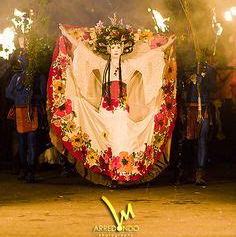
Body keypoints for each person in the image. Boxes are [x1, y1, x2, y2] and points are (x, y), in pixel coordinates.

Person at [47, 18, 177, 186]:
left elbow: (149, 58)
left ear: (122, 49)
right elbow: (82, 50)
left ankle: (124, 171)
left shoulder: (128, 65)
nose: (116, 50)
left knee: (123, 138)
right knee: (106, 141)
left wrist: (166, 46)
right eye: (113, 47)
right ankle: (112, 173)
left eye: (118, 47)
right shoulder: (101, 64)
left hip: (122, 110)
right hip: (105, 109)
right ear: (108, 49)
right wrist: (66, 34)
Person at [5, 54, 46, 183]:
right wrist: (21, 100)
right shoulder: (17, 77)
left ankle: (29, 171)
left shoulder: (38, 76)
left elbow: (43, 94)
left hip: (30, 110)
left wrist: (30, 99)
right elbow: (8, 93)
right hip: (22, 111)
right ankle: (26, 170)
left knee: (29, 142)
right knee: (25, 143)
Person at [181, 60, 216, 185]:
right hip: (189, 108)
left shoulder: (209, 69)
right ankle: (186, 172)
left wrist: (204, 82)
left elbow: (214, 88)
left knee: (202, 139)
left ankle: (200, 173)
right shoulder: (187, 67)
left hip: (203, 108)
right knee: (187, 141)